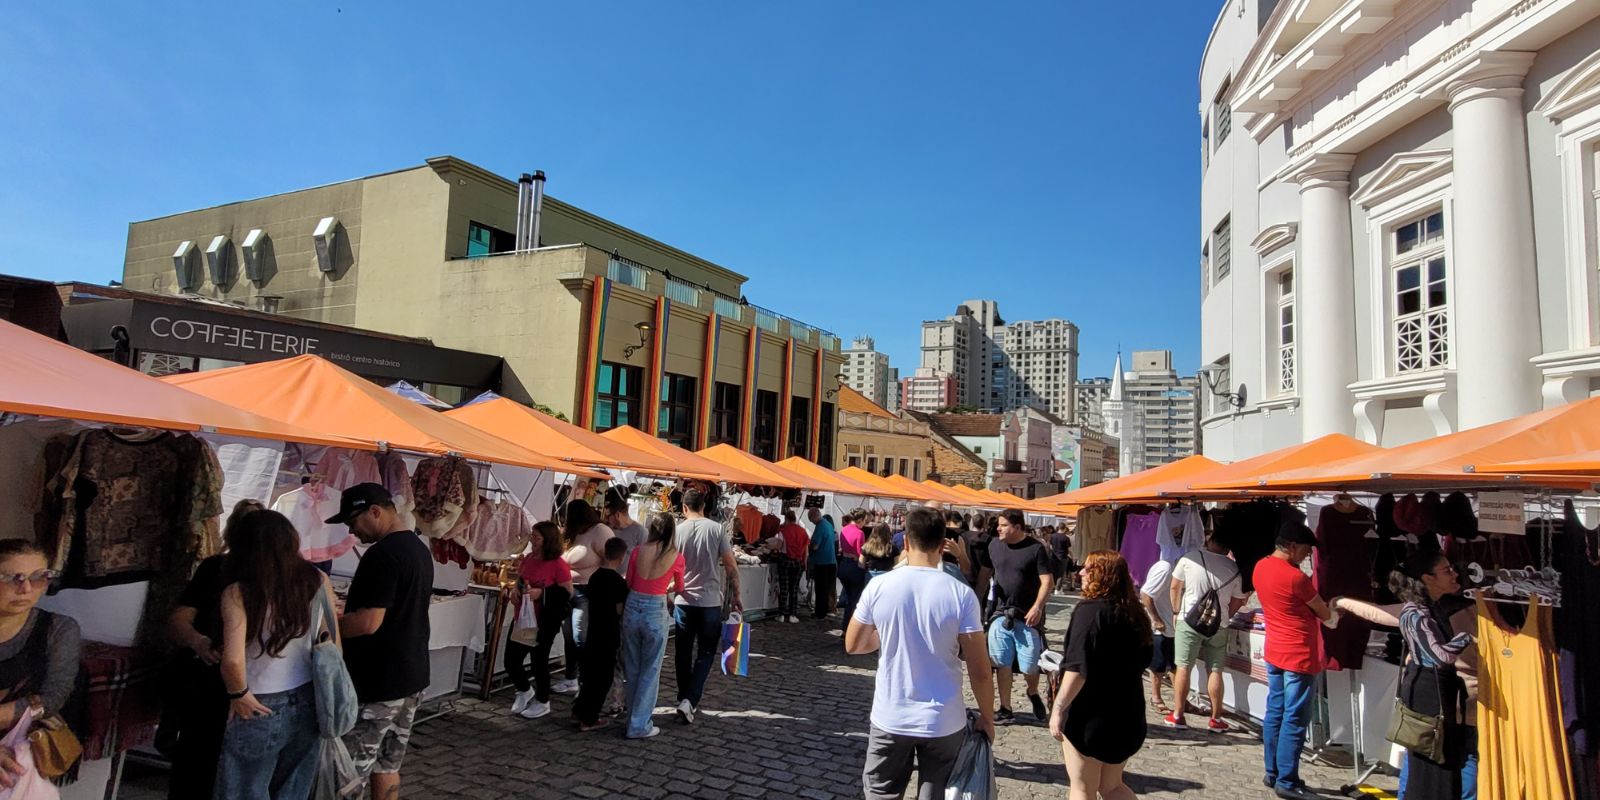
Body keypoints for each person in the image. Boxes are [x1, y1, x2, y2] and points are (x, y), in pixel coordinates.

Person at [846, 507, 995, 800]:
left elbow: (853, 645)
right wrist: (987, 718)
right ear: (943, 545)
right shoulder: (960, 594)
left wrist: (885, 637)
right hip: (943, 719)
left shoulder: (879, 586)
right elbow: (979, 669)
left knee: (881, 793)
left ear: (905, 543)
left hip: (892, 714)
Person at [214, 510, 339, 800]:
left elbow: (232, 659)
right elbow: (331, 643)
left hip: (259, 700)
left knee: (244, 787)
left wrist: (238, 694)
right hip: (308, 698)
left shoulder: (238, 591)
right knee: (292, 790)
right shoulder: (317, 580)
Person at [1334, 551, 1475, 800]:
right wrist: (1467, 638)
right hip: (1430, 695)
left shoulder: (1430, 607)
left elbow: (1377, 613)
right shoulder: (1418, 612)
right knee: (1431, 754)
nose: (1454, 573)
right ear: (1427, 578)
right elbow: (1440, 656)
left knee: (1426, 753)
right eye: (1446, 570)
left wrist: (1342, 602)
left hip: (1432, 691)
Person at [330, 484, 433, 800]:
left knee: (349, 771)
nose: (351, 531)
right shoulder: (418, 549)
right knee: (387, 763)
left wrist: (329, 628)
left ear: (375, 511)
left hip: (379, 681)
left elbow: (367, 622)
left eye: (353, 521)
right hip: (409, 674)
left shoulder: (383, 555)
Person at [164, 498, 259, 800]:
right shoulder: (217, 568)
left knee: (198, 767)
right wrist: (199, 642)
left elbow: (179, 620)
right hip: (222, 683)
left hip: (221, 682)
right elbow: (179, 620)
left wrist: (198, 642)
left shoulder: (221, 568)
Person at [1048, 551, 1153, 800]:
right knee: (1111, 786)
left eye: (1088, 569)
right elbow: (1144, 660)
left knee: (1082, 788)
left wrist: (1059, 708)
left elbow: (1077, 669)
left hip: (1090, 716)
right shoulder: (1135, 613)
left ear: (1102, 575)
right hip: (1128, 712)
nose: (1081, 573)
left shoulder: (1089, 611)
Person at [1253, 522, 1339, 800]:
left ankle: (1273, 771)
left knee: (1275, 711)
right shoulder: (1295, 578)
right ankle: (1288, 780)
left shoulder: (1261, 566)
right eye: (1304, 550)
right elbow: (1324, 613)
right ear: (1291, 547)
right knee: (1294, 718)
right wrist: (1334, 611)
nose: (1305, 556)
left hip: (1275, 649)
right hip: (1298, 653)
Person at [0, 539, 81, 784]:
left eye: (38, 577)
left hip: (21, 747)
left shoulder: (57, 629)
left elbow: (54, 696)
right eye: (11, 577)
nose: (25, 589)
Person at [1166, 532, 1249, 731]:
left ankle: (1178, 714)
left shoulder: (1190, 557)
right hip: (1218, 624)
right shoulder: (1234, 568)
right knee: (1215, 670)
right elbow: (1239, 599)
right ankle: (1216, 718)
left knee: (1184, 666)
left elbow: (1175, 587)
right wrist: (1226, 614)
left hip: (1189, 620)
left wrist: (1176, 611)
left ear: (1210, 541)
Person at [672, 489, 741, 724]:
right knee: (706, 652)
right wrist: (737, 594)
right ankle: (690, 699)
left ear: (684, 507)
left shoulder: (676, 531)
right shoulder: (716, 529)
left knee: (682, 652)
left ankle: (684, 697)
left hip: (683, 599)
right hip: (709, 600)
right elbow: (730, 565)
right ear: (704, 506)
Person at [987, 508, 1055, 724]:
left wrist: (1038, 607)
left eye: (1004, 525)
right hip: (1001, 613)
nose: (999, 528)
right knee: (1001, 662)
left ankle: (1032, 691)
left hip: (1027, 616)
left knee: (1029, 665)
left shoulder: (1035, 549)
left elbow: (1047, 581)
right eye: (999, 524)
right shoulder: (995, 545)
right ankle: (1005, 707)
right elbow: (985, 574)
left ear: (1017, 527)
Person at [621, 514, 685, 739]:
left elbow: (629, 581)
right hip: (654, 607)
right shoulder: (675, 556)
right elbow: (680, 586)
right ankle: (639, 723)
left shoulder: (639, 550)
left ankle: (632, 716)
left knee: (632, 667)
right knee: (651, 669)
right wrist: (664, 587)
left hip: (633, 605)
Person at [505, 521, 573, 720]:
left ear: (548, 540)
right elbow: (521, 579)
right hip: (524, 617)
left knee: (538, 661)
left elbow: (567, 593)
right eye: (532, 536)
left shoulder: (558, 565)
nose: (532, 541)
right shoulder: (529, 559)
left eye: (537, 537)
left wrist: (542, 593)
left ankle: (543, 700)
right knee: (512, 660)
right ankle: (525, 690)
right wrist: (516, 591)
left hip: (544, 620)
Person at [559, 500, 616, 694]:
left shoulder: (600, 531)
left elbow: (610, 560)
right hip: (567, 591)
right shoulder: (574, 533)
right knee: (568, 636)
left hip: (587, 591)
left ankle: (586, 679)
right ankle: (571, 677)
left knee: (579, 636)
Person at [574, 537, 630, 732]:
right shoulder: (618, 583)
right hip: (609, 633)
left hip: (594, 630)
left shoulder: (595, 576)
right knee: (602, 678)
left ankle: (580, 710)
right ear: (621, 557)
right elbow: (619, 610)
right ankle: (589, 717)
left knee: (590, 675)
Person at [1138, 558, 1176, 715]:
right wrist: (1155, 618)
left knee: (1176, 665)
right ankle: (1156, 697)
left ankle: (1181, 699)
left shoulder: (1178, 566)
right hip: (1162, 626)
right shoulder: (1165, 567)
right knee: (1158, 665)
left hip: (1175, 626)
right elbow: (1146, 594)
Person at [770, 510, 809, 623]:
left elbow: (779, 545)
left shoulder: (783, 530)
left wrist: (773, 549)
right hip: (798, 562)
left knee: (784, 587)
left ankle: (781, 614)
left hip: (785, 560)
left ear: (787, 519)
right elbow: (806, 551)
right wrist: (805, 564)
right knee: (794, 589)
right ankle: (792, 615)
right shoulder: (803, 532)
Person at [602, 487, 647, 570]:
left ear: (617, 515)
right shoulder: (606, 529)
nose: (605, 519)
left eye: (608, 516)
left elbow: (644, 562)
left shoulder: (640, 532)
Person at [808, 508, 839, 620]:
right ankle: (826, 610)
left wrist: (809, 546)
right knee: (827, 588)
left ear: (814, 516)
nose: (811, 522)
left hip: (822, 562)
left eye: (810, 519)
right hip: (831, 561)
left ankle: (820, 613)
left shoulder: (820, 526)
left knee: (820, 589)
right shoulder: (828, 525)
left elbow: (815, 546)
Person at [837, 510, 869, 617]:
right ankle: (851, 627)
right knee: (855, 600)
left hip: (843, 566)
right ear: (860, 520)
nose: (865, 523)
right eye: (865, 520)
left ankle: (845, 627)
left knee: (849, 599)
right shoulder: (860, 533)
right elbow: (860, 553)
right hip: (854, 567)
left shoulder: (844, 529)